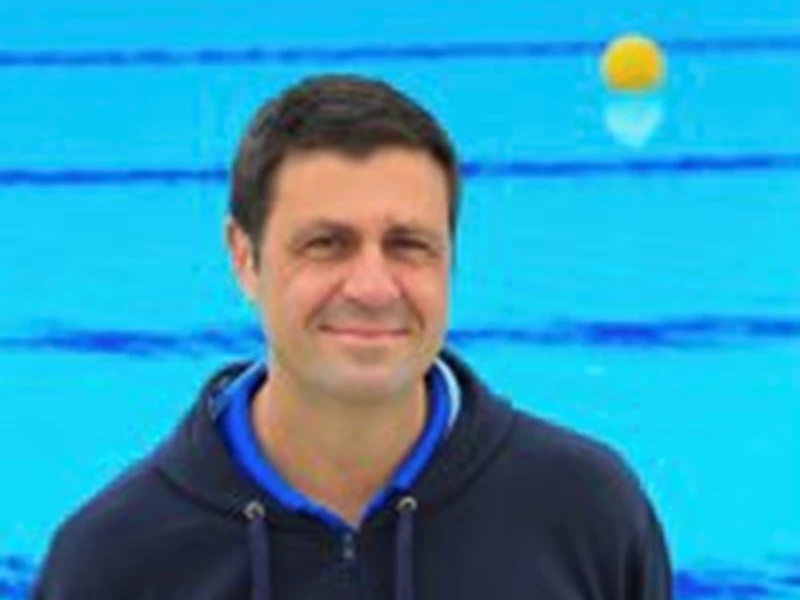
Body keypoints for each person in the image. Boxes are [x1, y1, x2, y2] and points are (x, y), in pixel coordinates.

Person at [33, 73, 673, 600]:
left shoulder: (585, 512)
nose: (373, 287)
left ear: (451, 260)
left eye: (408, 245)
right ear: (244, 257)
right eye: (326, 244)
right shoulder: (113, 562)